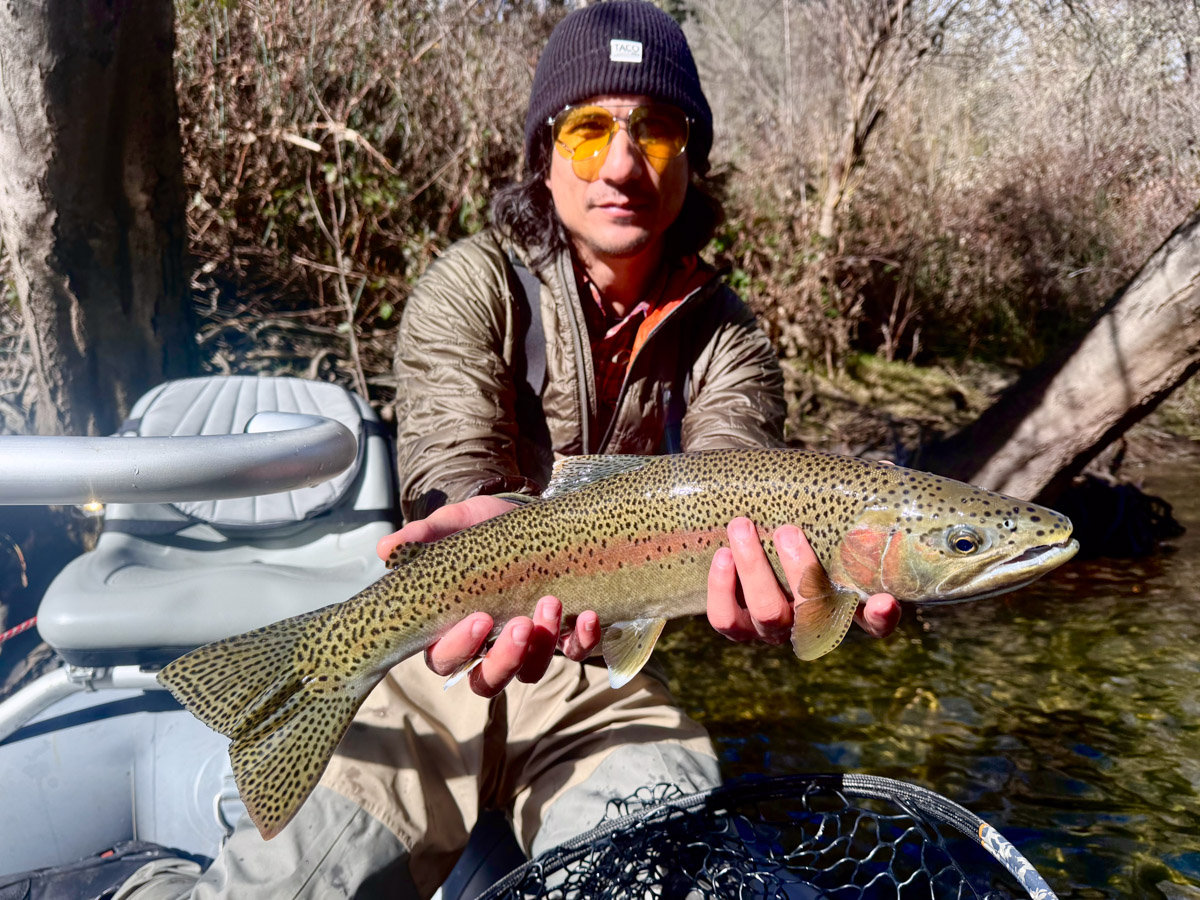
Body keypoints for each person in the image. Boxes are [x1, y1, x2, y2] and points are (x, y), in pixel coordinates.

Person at [118, 3, 899, 898]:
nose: (621, 164)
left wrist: (774, 572)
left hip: (605, 683)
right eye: (588, 130)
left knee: (659, 884)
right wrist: (479, 515)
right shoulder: (474, 283)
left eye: (656, 130)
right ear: (543, 154)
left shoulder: (729, 335)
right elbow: (454, 461)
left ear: (692, 157)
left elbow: (740, 479)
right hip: (439, 654)